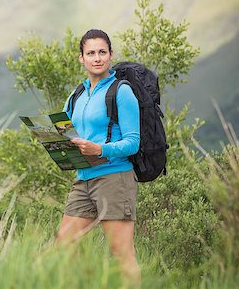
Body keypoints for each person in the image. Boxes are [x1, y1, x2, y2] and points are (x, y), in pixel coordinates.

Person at [57, 29, 141, 286]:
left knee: (122, 255)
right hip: (83, 179)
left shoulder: (121, 91)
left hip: (114, 178)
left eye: (102, 52)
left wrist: (100, 149)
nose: (97, 58)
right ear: (81, 58)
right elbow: (64, 130)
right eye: (90, 53)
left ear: (111, 55)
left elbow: (133, 142)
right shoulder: (77, 95)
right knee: (63, 245)